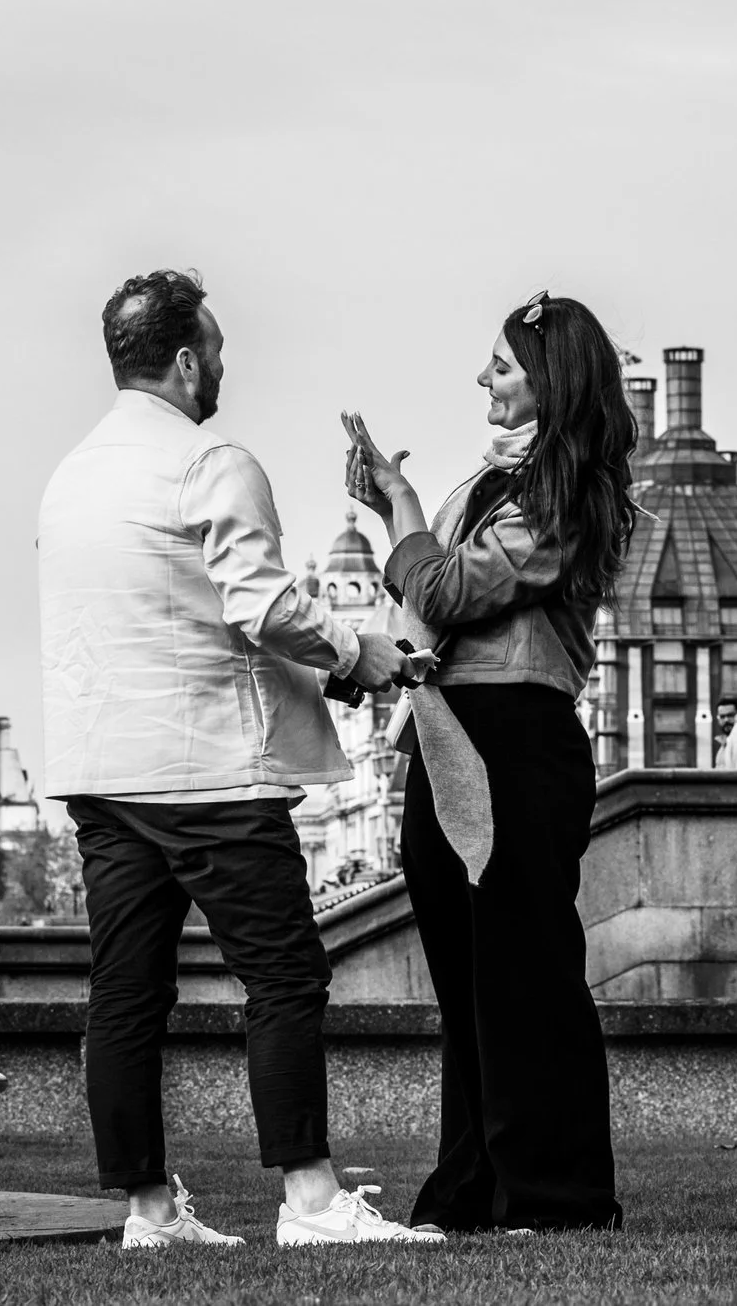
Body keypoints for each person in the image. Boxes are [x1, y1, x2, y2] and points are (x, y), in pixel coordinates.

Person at [37, 269, 441, 1250]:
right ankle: (311, 1197)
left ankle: (148, 1211)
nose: (222, 364)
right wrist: (358, 653)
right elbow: (260, 606)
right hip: (210, 769)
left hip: (101, 771)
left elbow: (146, 621)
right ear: (185, 360)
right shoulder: (211, 460)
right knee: (285, 976)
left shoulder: (70, 475)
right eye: (215, 348)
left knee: (125, 994)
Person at [343, 288, 634, 1233]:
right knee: (470, 980)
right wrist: (400, 520)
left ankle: (556, 1193)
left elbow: (440, 588)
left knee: (524, 975)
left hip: (515, 739)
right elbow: (424, 600)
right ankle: (475, 1187)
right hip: (448, 733)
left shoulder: (564, 493)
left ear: (548, 381)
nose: (482, 379)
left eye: (502, 365)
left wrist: (399, 506)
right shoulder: (492, 485)